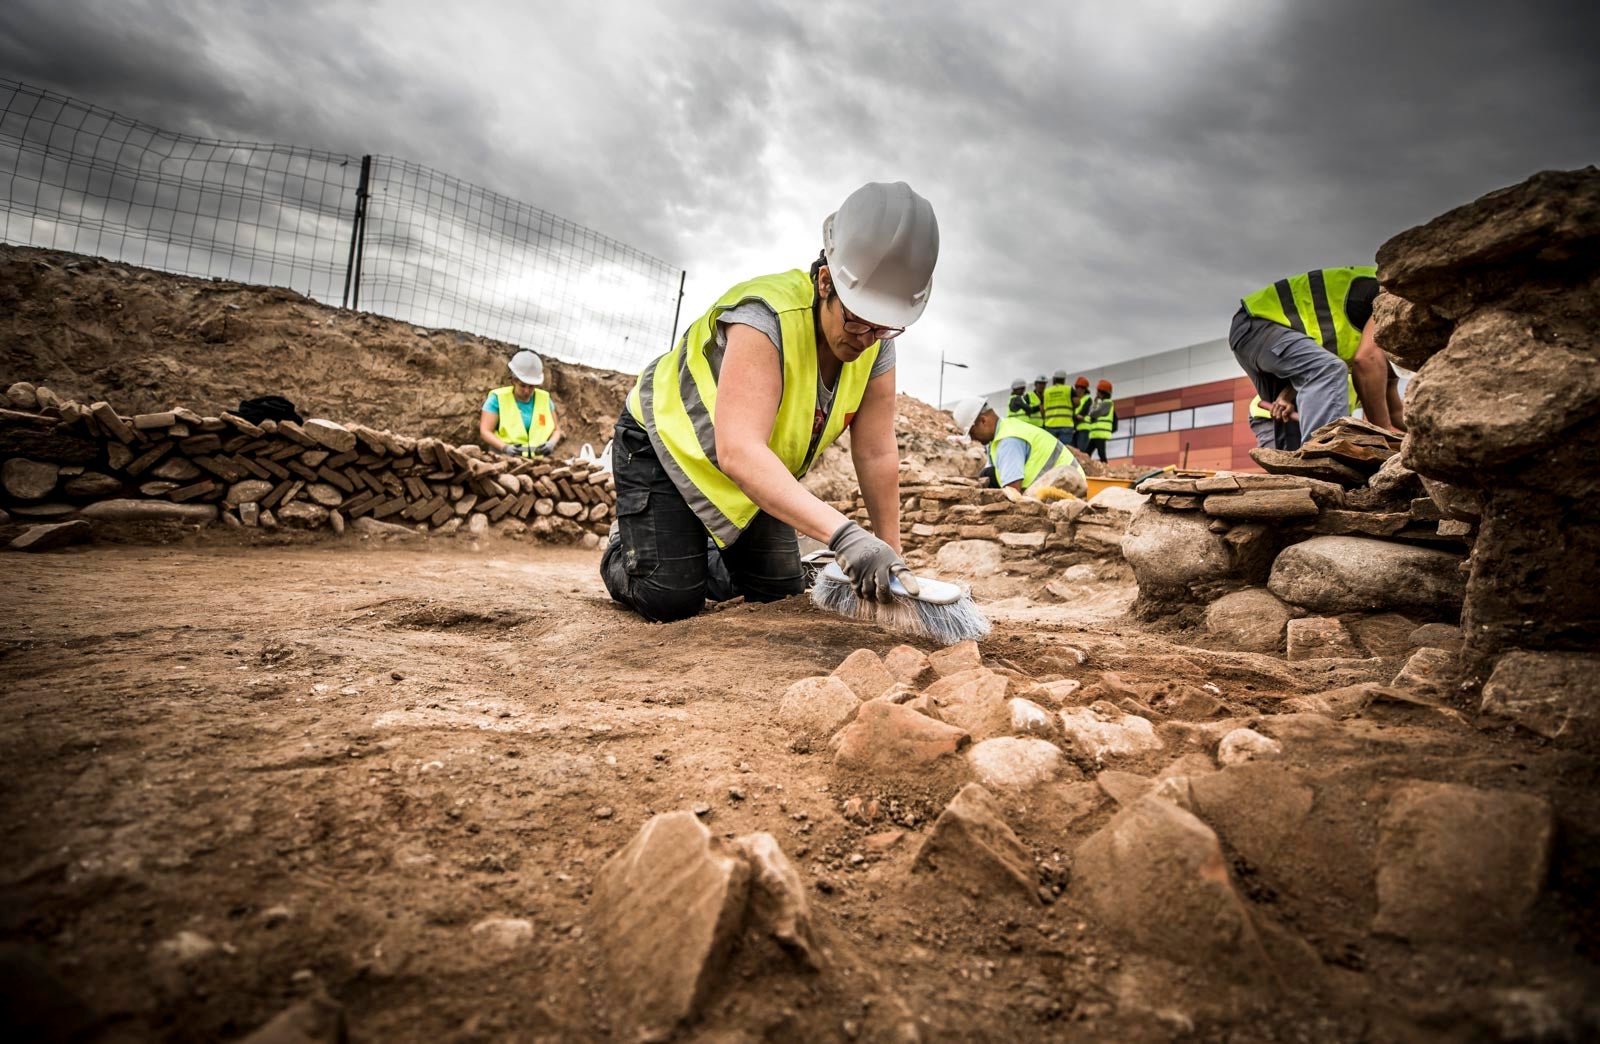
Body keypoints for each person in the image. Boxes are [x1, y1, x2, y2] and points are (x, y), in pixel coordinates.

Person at [600, 181, 939, 623]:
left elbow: (875, 451)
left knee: (779, 592)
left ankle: (684, 547)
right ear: (824, 282)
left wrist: (891, 553)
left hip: (746, 472)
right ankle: (629, 551)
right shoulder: (765, 319)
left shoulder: (876, 345)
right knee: (670, 599)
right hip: (664, 448)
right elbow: (739, 451)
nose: (867, 340)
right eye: (858, 322)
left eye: (884, 328)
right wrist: (843, 536)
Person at [1228, 266, 1402, 450]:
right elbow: (1367, 361)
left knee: (1295, 460)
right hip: (1258, 324)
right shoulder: (1395, 296)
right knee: (1328, 369)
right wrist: (1383, 441)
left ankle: (1315, 460)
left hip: (1275, 352)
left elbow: (1397, 413)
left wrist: (1427, 431)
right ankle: (1321, 455)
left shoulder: (1385, 355)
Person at [952, 397, 1087, 498]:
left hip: (1069, 491)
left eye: (972, 432)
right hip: (1053, 488)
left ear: (983, 420)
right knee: (987, 475)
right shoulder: (1001, 433)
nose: (973, 438)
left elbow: (1013, 493)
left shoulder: (1009, 441)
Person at [480, 350, 562, 457]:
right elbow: (485, 431)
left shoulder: (545, 400)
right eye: (522, 385)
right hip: (503, 457)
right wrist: (505, 447)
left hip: (536, 462)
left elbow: (556, 430)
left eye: (531, 386)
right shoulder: (497, 399)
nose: (527, 391)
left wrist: (551, 443)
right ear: (513, 380)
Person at [1040, 370, 1076, 446]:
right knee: (1066, 449)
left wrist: (1045, 418)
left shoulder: (1047, 391)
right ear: (1064, 380)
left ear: (1054, 379)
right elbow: (1077, 402)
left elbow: (1042, 408)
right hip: (1066, 423)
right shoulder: (1069, 389)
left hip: (1050, 424)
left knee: (1050, 448)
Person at [1084, 380, 1117, 462]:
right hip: (1096, 434)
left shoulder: (1107, 403)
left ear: (1102, 392)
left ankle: (1105, 469)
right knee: (1087, 453)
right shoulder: (1103, 403)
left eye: (1098, 391)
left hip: (1100, 433)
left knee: (1101, 453)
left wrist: (1094, 403)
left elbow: (1093, 414)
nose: (1096, 394)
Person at [1070, 375, 1093, 450]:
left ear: (1084, 390)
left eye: (1079, 388)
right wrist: (1076, 416)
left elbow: (1083, 412)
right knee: (1073, 451)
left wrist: (1074, 416)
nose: (1077, 390)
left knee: (1081, 451)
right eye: (1076, 388)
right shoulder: (1075, 400)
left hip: (1083, 428)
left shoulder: (1088, 399)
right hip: (1075, 428)